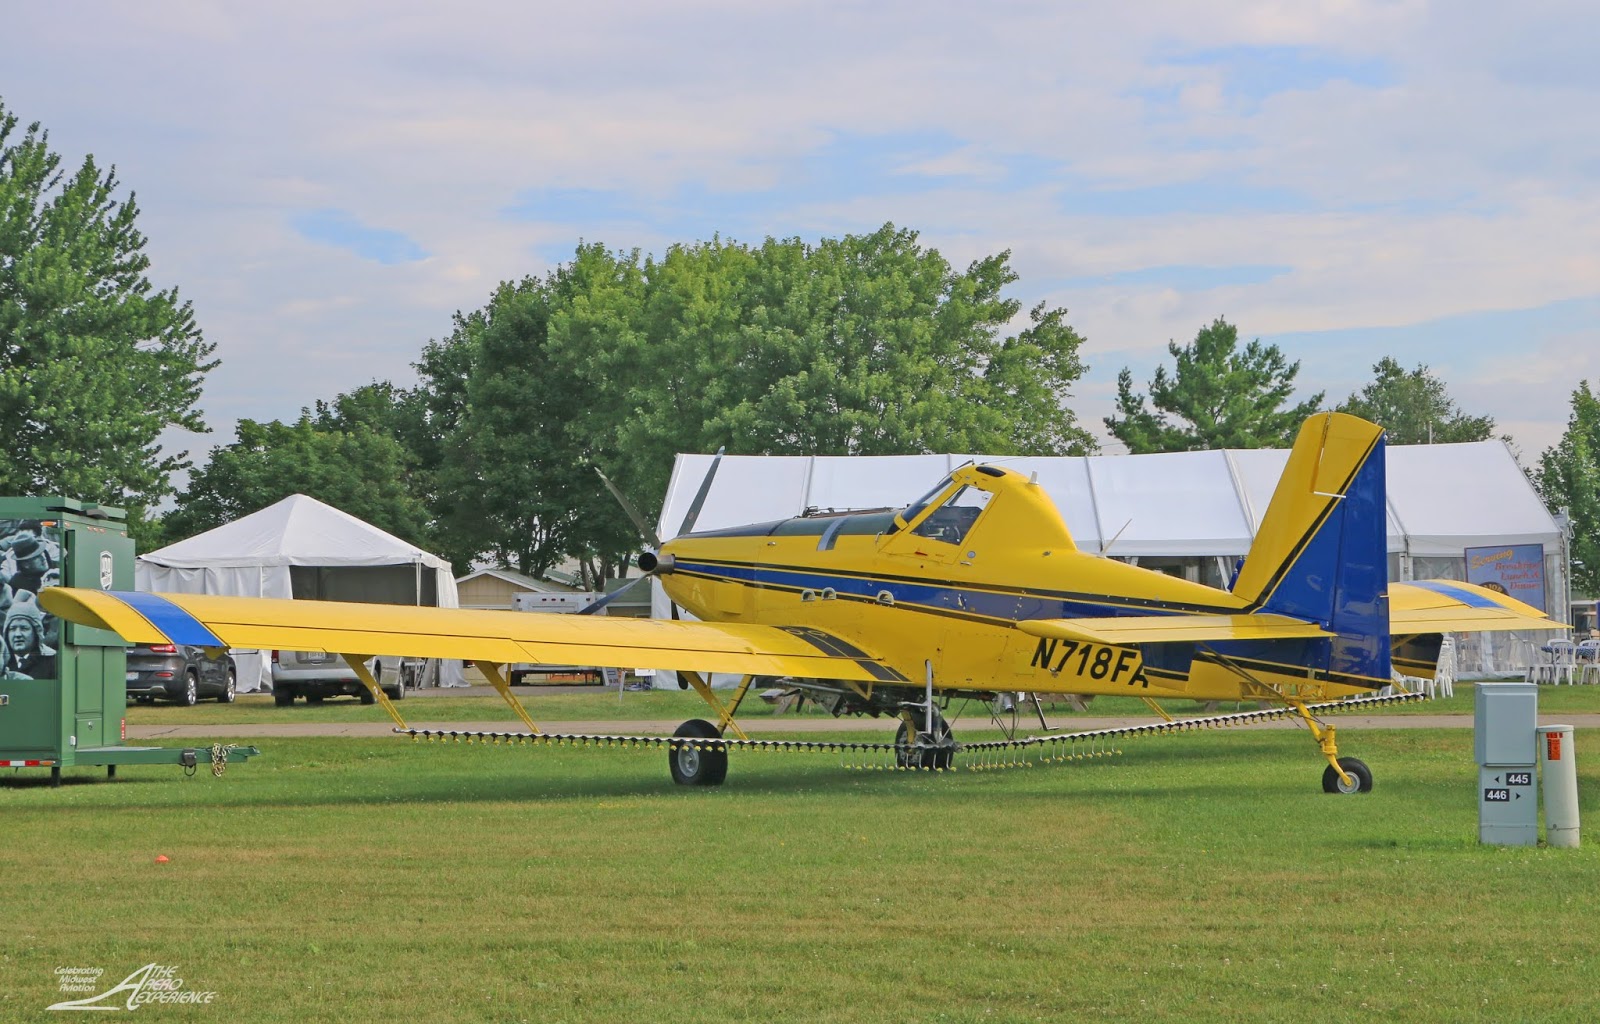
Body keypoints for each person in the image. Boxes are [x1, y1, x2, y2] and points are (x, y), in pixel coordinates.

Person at [3, 592, 56, 679]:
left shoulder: (52, 662)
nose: (17, 634)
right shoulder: (2, 663)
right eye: (12, 629)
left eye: (24, 628)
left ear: (36, 632)